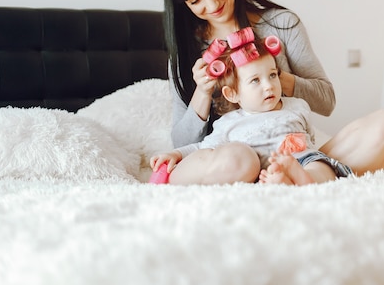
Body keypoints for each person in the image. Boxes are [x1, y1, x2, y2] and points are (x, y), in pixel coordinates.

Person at [162, 0, 384, 184]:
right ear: (184, 5)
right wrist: (202, 92)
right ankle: (289, 181)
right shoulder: (185, 55)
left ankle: (295, 177)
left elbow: (326, 101)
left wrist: (273, 77)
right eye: (195, 1)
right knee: (235, 161)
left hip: (291, 156)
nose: (212, 4)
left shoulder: (281, 25)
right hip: (237, 162)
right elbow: (184, 144)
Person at [150, 37, 352, 186]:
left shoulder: (298, 105)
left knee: (322, 165)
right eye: (255, 80)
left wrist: (302, 154)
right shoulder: (229, 121)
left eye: (272, 75)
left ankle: (303, 178)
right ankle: (281, 180)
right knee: (238, 160)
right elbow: (201, 147)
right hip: (258, 170)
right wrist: (176, 153)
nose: (269, 86)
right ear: (232, 94)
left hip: (299, 160)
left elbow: (309, 138)